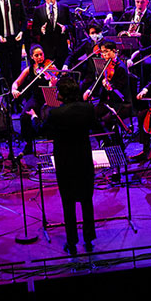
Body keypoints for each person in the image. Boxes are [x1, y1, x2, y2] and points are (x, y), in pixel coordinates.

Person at [41, 72, 97, 253]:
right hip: (84, 160)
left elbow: (43, 131)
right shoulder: (88, 109)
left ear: (62, 94)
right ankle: (89, 240)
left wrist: (35, 117)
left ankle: (71, 242)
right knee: (87, 201)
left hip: (65, 163)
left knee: (68, 203)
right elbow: (94, 126)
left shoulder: (55, 113)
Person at [82, 41, 130, 147]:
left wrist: (110, 87)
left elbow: (121, 90)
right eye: (102, 52)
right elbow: (99, 80)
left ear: (114, 52)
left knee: (108, 119)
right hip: (107, 101)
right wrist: (89, 90)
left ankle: (118, 145)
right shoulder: (106, 64)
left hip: (119, 102)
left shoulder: (121, 67)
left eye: (106, 52)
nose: (104, 55)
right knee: (89, 115)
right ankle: (104, 139)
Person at [11, 44, 56, 154]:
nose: (40, 57)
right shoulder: (28, 70)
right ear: (32, 57)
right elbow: (16, 83)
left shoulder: (50, 67)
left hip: (49, 97)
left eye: (41, 54)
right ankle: (28, 143)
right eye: (37, 55)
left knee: (52, 116)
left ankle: (55, 143)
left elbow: (54, 85)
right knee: (24, 116)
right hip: (36, 98)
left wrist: (52, 83)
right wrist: (14, 89)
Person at [32, 0, 71, 66]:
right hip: (46, 49)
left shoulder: (64, 8)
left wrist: (65, 27)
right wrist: (41, 30)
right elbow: (34, 29)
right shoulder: (38, 10)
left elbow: (71, 25)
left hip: (61, 48)